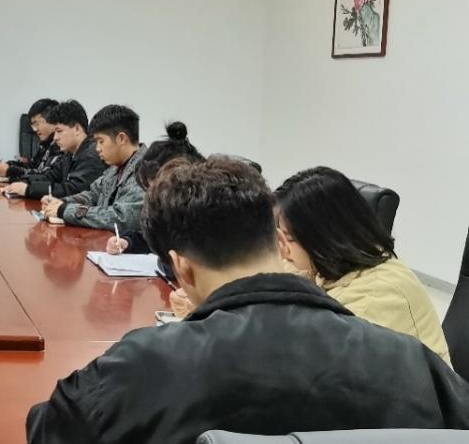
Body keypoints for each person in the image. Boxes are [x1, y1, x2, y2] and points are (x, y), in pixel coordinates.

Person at [26, 158, 469, 444]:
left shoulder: (138, 369)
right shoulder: (413, 364)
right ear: (278, 240)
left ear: (182, 269)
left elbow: (48, 430)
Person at [275, 166, 451, 363]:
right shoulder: (337, 261)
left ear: (323, 239)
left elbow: (318, 364)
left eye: (289, 238)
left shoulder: (371, 302)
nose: (282, 249)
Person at [104, 121, 203, 280]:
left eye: (158, 190)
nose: (153, 197)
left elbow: (177, 266)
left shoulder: (202, 213)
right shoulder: (170, 209)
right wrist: (128, 242)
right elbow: (156, 237)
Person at [41, 104, 146, 231]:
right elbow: (93, 195)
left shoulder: (145, 171)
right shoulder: (115, 168)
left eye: (101, 141)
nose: (97, 148)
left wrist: (65, 210)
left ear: (121, 139)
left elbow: (122, 218)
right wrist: (61, 202)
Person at [3, 99, 106, 199]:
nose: (55, 137)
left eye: (59, 131)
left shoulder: (93, 153)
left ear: (77, 129)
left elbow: (74, 190)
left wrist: (28, 189)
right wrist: (20, 181)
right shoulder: (69, 153)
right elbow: (49, 176)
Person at [0, 98, 60, 180]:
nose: (34, 130)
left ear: (52, 121)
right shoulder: (45, 144)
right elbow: (31, 166)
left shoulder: (61, 145)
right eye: (33, 125)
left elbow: (46, 176)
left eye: (37, 124)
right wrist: (9, 165)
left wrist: (11, 171)